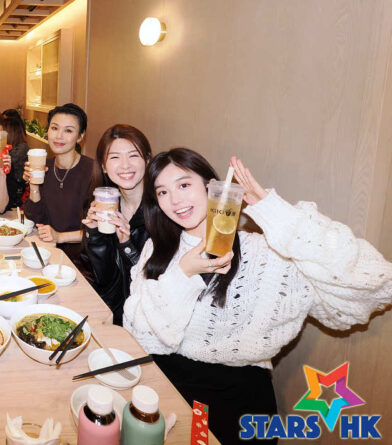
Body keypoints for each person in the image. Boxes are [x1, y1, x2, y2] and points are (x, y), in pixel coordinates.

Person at [125, 148, 392, 445]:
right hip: (168, 386)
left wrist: (275, 212)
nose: (175, 200)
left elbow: (375, 283)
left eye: (184, 185)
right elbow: (141, 334)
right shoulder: (158, 249)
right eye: (162, 192)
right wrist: (184, 273)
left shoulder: (265, 254)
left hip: (238, 397)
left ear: (213, 187)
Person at [81, 124, 152, 325]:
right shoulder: (103, 205)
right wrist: (95, 235)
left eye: (133, 155)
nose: (125, 165)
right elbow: (105, 280)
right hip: (111, 313)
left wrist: (127, 245)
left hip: (146, 322)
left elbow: (155, 289)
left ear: (147, 160)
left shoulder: (162, 211)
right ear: (103, 166)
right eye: (114, 157)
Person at [23, 103, 95, 274]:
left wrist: (60, 236)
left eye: (68, 130)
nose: (59, 136)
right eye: (54, 128)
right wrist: (34, 185)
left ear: (80, 136)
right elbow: (36, 218)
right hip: (47, 253)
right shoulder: (44, 166)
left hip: (82, 262)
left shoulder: (93, 172)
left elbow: (97, 230)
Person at [0, 111, 29, 207]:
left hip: (17, 194)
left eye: (1, 133)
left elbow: (6, 163)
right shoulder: (7, 147)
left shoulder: (22, 148)